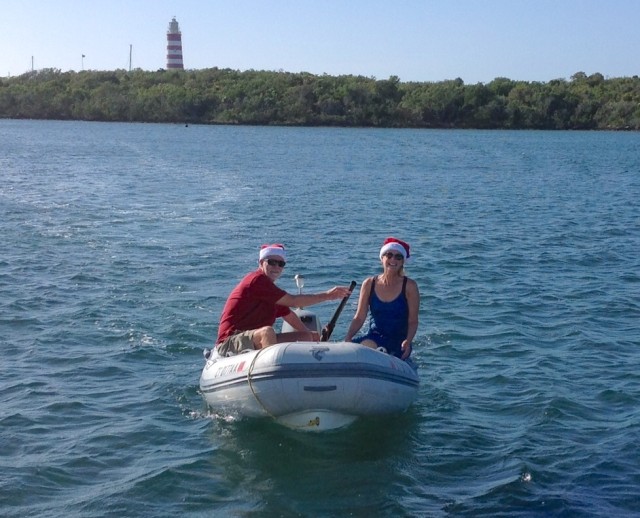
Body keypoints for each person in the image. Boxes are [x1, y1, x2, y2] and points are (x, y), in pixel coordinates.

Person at [215, 243, 352, 356]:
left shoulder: (271, 291)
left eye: (281, 264)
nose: (276, 267)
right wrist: (328, 295)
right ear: (261, 263)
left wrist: (310, 335)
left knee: (307, 337)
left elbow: (289, 316)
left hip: (253, 340)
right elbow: (294, 301)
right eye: (272, 262)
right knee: (267, 332)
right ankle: (271, 374)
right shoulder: (257, 281)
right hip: (231, 341)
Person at [344, 237, 419, 360]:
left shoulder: (409, 286)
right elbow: (359, 317)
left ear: (402, 262)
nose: (393, 259)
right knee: (360, 349)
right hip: (374, 338)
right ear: (382, 259)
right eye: (389, 255)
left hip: (398, 341)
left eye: (398, 257)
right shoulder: (369, 284)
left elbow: (413, 321)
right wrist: (348, 337)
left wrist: (408, 341)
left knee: (373, 351)